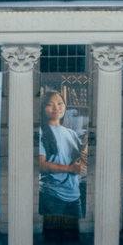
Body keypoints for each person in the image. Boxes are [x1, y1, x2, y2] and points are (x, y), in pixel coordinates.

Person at [36, 88, 86, 217]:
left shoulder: (71, 133)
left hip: (74, 196)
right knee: (53, 229)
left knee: (74, 229)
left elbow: (79, 161)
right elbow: (41, 165)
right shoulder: (41, 133)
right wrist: (70, 168)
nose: (56, 107)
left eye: (60, 103)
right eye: (50, 104)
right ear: (43, 108)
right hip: (52, 196)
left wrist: (84, 156)